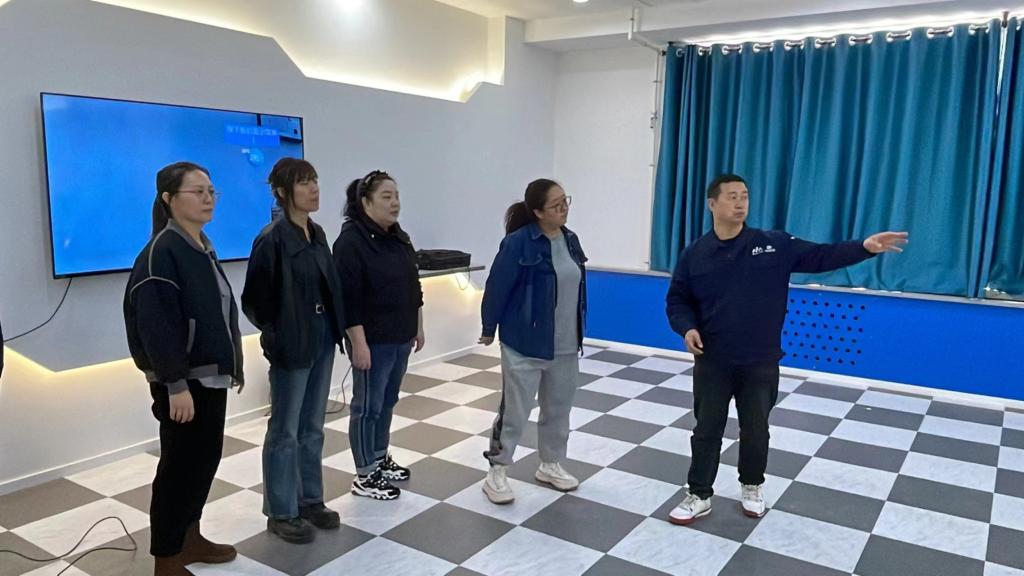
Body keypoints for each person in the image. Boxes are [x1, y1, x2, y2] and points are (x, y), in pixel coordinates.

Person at [665, 173, 908, 524]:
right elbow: (677, 300)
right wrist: (686, 328)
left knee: (756, 429)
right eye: (732, 196)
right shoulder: (695, 254)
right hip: (713, 360)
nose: (740, 203)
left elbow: (821, 256)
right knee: (706, 430)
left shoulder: (773, 245)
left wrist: (864, 248)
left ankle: (752, 485)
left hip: (760, 360)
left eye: (744, 196)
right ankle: (699, 493)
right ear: (712, 204)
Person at [123, 162, 244, 576]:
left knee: (203, 462)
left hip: (208, 378)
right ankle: (167, 557)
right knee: (178, 469)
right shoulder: (162, 252)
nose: (208, 198)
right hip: (184, 384)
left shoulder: (200, 246)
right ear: (169, 199)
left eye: (211, 190)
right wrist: (175, 384)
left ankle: (190, 536)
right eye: (198, 191)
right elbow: (156, 326)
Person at [242, 158, 347, 544]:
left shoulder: (317, 234)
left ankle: (310, 499)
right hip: (292, 342)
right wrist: (280, 334)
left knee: (313, 426)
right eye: (304, 183)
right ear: (282, 192)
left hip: (322, 336)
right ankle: (282, 510)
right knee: (285, 429)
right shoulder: (272, 239)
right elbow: (254, 301)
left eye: (315, 181)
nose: (314, 189)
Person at [479, 178, 588, 504]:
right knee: (515, 411)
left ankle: (550, 464)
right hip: (524, 342)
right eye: (556, 204)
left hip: (565, 344)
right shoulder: (518, 243)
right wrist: (489, 326)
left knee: (558, 409)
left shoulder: (570, 240)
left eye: (565, 201)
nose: (564, 208)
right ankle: (497, 470)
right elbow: (497, 285)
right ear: (538, 212)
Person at [333, 170, 425, 500]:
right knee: (367, 406)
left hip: (400, 335)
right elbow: (348, 299)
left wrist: (418, 325)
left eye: (396, 196)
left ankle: (379, 456)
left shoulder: (399, 237)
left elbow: (413, 285)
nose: (395, 203)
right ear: (366, 202)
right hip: (372, 341)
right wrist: (358, 343)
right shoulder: (351, 242)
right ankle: (364, 473)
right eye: (386, 197)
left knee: (387, 401)